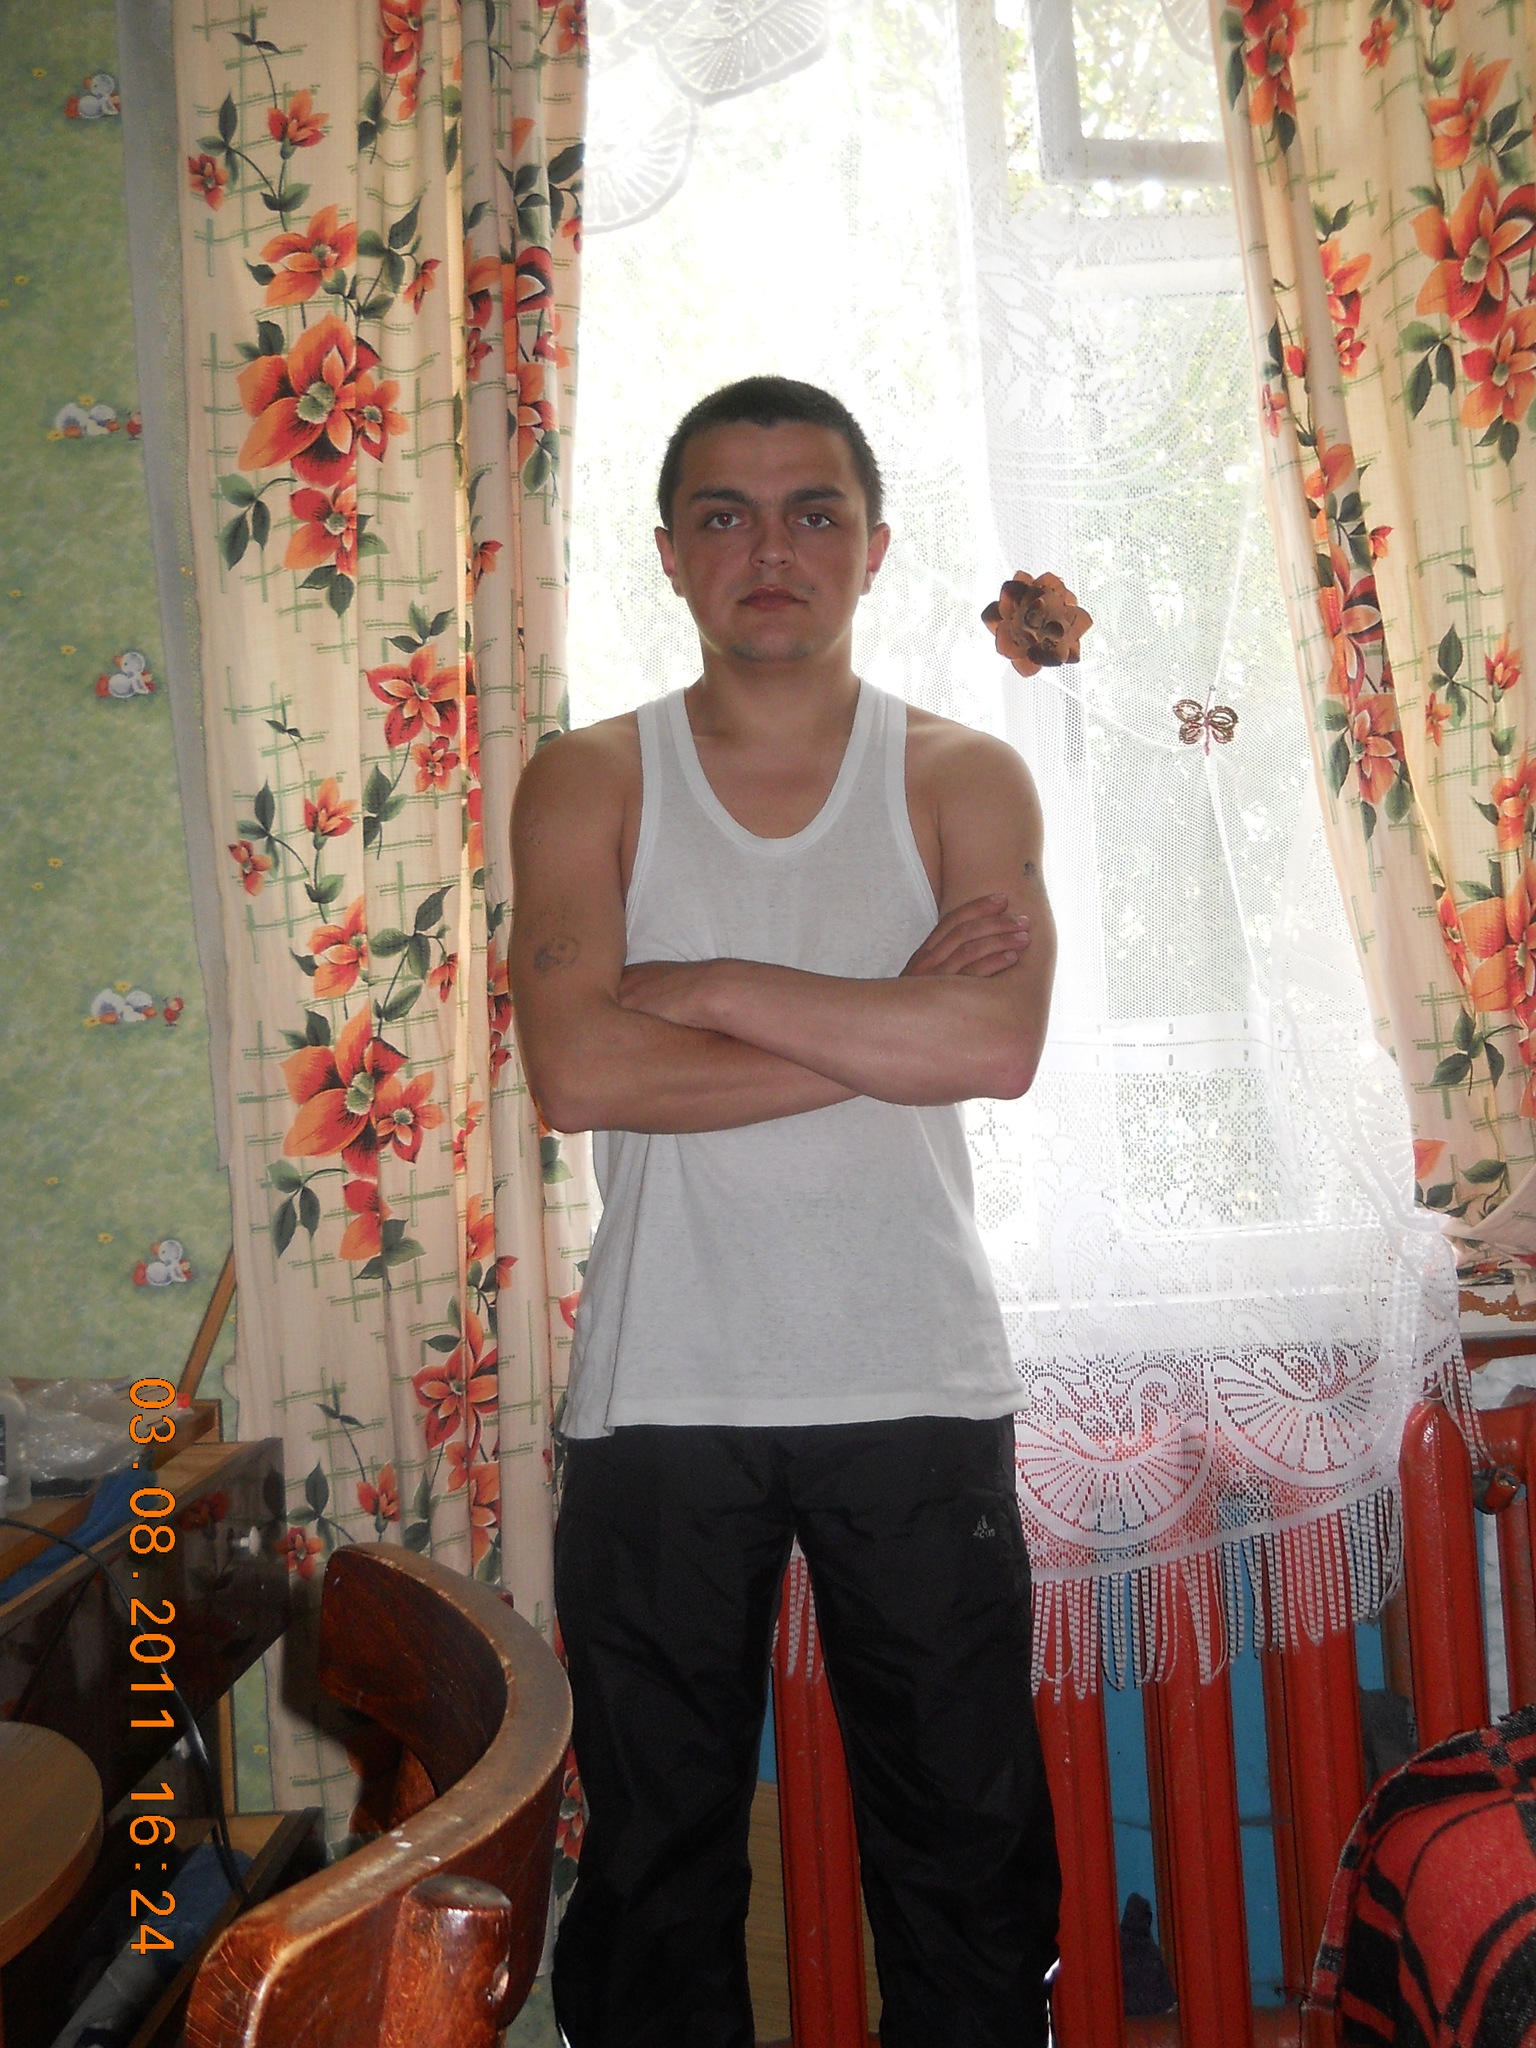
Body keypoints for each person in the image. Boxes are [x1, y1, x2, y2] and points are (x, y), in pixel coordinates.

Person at [510, 376, 1061, 2048]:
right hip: (661, 1390)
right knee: (656, 1873)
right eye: (726, 515)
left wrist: (711, 984)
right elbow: (579, 1074)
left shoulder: (963, 773)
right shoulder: (587, 778)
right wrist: (885, 1017)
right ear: (670, 552)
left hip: (915, 1375)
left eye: (814, 512)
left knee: (966, 1855)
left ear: (874, 548)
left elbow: (994, 1048)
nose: (772, 549)